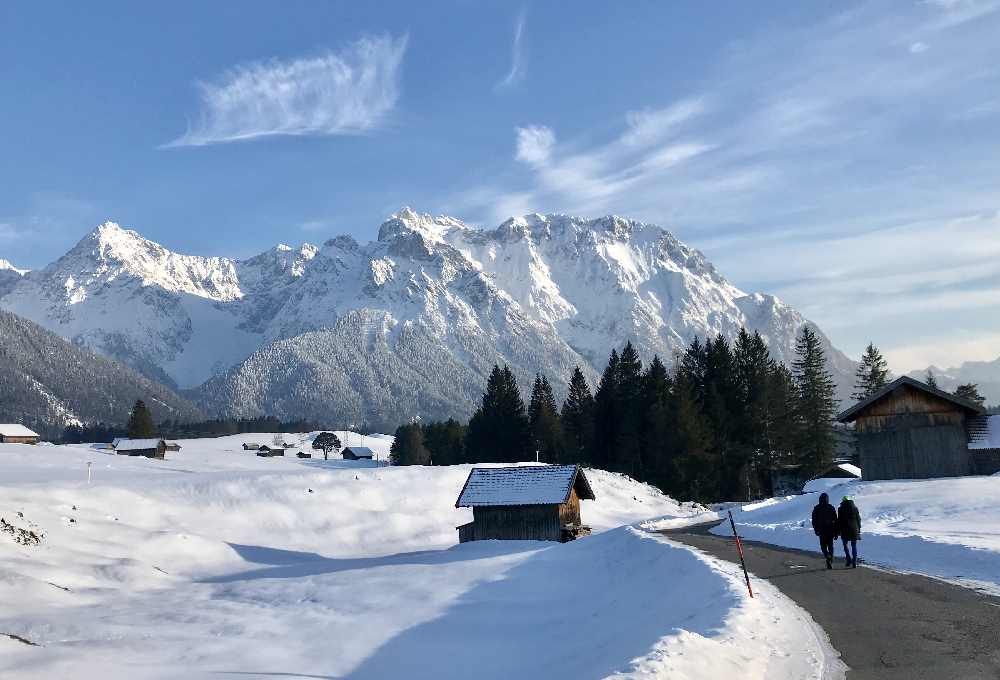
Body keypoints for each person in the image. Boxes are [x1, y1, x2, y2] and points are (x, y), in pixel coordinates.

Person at [811, 492, 839, 569]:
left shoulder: (817, 508)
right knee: (831, 546)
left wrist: (816, 530)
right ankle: (830, 561)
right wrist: (836, 532)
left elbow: (814, 520)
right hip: (830, 530)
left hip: (821, 530)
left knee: (823, 545)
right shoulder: (831, 507)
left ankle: (827, 556)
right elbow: (836, 521)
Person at [838, 495, 862, 568]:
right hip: (854, 529)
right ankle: (854, 562)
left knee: (845, 545)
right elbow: (858, 519)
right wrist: (859, 529)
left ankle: (848, 559)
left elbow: (839, 521)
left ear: (843, 501)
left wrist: (839, 530)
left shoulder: (840, 509)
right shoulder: (855, 508)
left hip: (845, 530)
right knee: (854, 546)